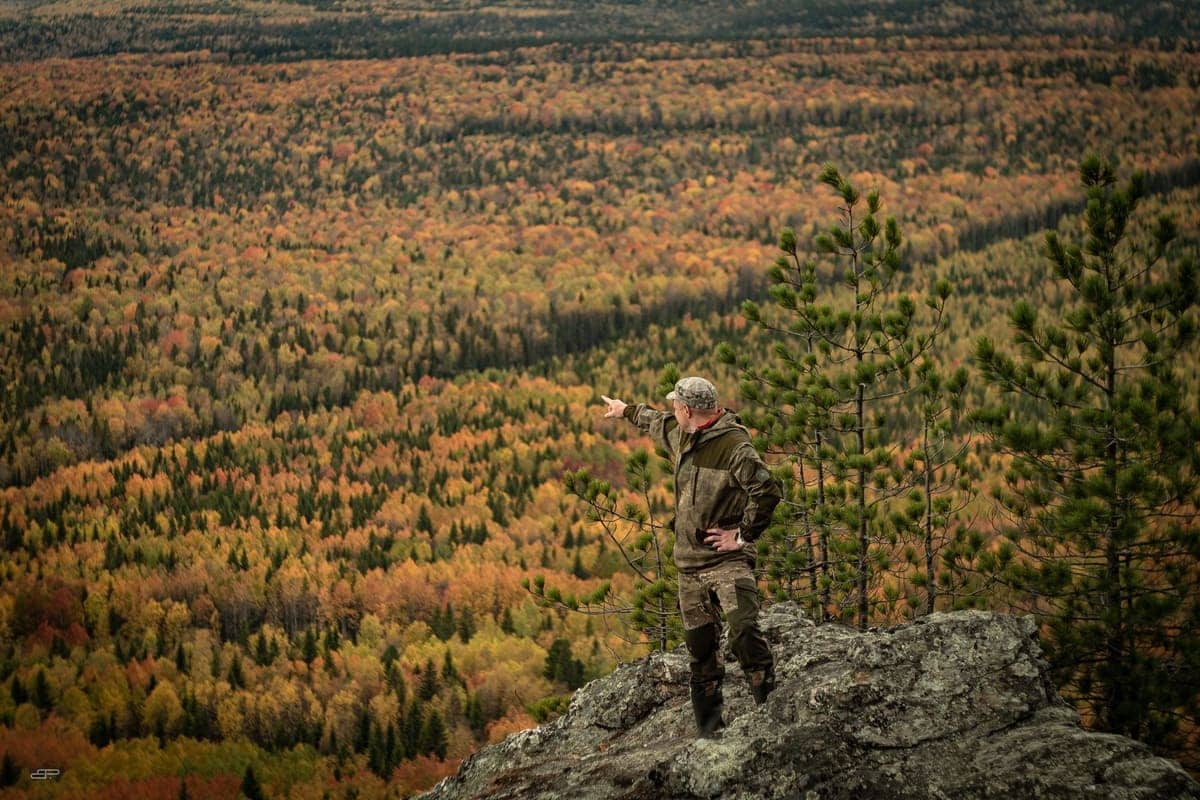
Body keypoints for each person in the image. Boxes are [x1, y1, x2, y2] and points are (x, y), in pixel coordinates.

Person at [601, 376, 781, 738]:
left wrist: (741, 536)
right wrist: (624, 411)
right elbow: (655, 420)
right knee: (701, 653)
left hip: (726, 561)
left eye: (675, 405)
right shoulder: (681, 435)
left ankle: (774, 716)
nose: (671, 410)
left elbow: (768, 489)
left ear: (687, 409)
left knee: (744, 633)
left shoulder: (734, 446)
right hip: (689, 567)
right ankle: (710, 734)